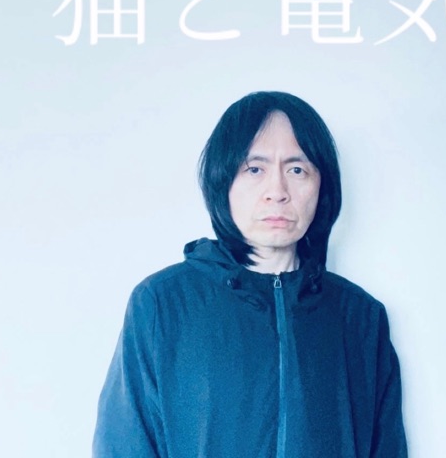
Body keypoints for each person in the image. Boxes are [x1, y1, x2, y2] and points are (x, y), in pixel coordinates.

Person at [93, 91, 408, 458]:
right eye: (255, 169)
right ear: (222, 180)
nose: (277, 192)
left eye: (297, 170)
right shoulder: (163, 304)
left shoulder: (360, 317)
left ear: (322, 186)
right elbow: (124, 446)